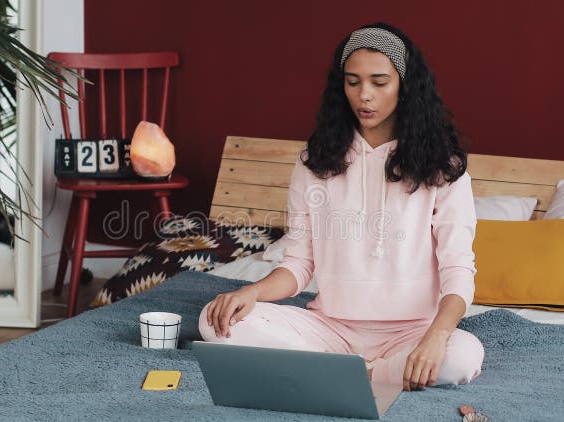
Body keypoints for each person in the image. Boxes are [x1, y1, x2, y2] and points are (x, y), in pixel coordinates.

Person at [198, 22, 484, 392]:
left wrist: (436, 336)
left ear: (406, 86)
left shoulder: (443, 167)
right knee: (214, 320)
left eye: (379, 83)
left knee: (460, 356)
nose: (365, 95)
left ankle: (337, 374)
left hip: (413, 332)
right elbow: (299, 264)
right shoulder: (315, 161)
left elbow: (458, 268)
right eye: (353, 82)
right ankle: (373, 374)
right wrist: (250, 292)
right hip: (329, 329)